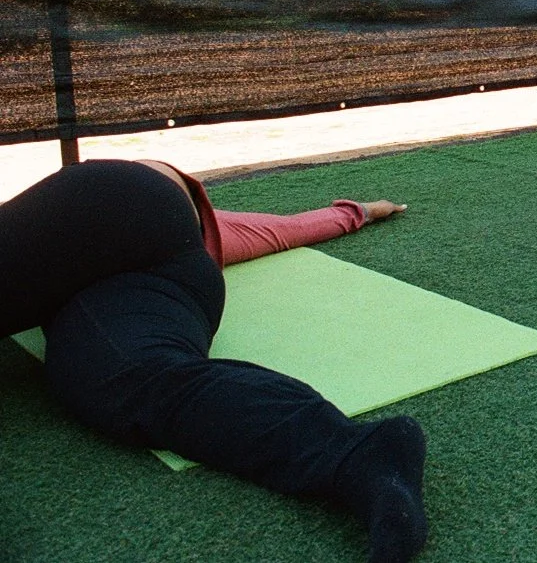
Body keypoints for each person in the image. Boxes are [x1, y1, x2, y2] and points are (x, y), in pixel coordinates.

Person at [1, 160, 428, 563]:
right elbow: (283, 229)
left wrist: (360, 212)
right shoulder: (201, 231)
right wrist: (360, 212)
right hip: (164, 276)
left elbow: (280, 229)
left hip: (124, 208)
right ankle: (358, 455)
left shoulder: (116, 205)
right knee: (130, 377)